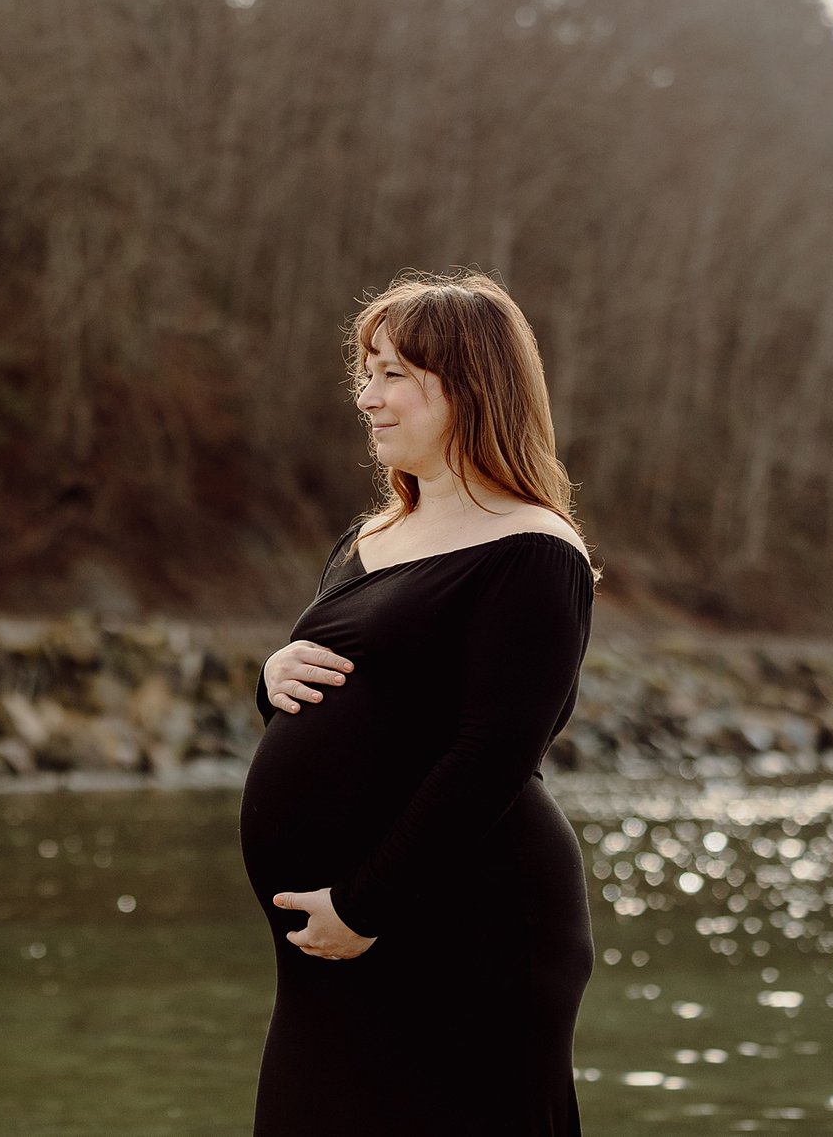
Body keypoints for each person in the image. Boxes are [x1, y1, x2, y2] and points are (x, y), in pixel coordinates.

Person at [238, 270, 598, 1134]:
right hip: (333, 940)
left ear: (471, 384)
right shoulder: (370, 535)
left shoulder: (534, 551)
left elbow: (493, 751)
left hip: (462, 928)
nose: (368, 397)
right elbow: (361, 695)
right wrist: (273, 675)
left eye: (394, 373)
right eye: (365, 372)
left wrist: (365, 905)